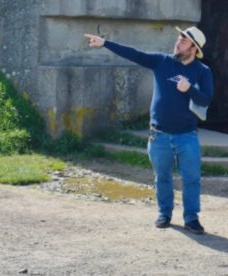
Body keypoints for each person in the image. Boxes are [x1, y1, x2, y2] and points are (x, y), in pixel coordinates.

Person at [84, 26, 213, 235]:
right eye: (178, 38)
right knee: (162, 177)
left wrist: (189, 89)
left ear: (193, 48)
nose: (177, 42)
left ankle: (191, 218)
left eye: (183, 40)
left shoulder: (203, 72)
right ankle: (164, 214)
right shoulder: (161, 61)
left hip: (186, 136)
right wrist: (105, 43)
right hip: (158, 134)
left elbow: (206, 99)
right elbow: (134, 54)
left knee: (191, 178)